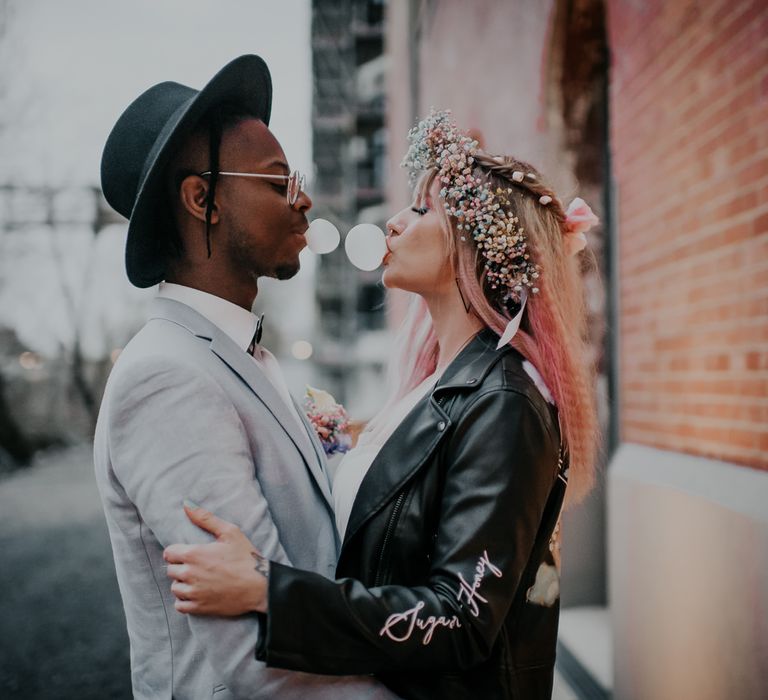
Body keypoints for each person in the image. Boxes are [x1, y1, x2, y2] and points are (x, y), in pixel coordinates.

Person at [163, 109, 600, 700]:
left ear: (476, 247)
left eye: (421, 210)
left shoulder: (505, 401)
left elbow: (460, 620)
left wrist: (269, 589)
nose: (393, 224)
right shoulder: (430, 384)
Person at [94, 55, 398, 700]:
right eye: (278, 181)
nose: (304, 200)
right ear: (202, 198)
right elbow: (262, 657)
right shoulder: (165, 378)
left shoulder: (240, 356)